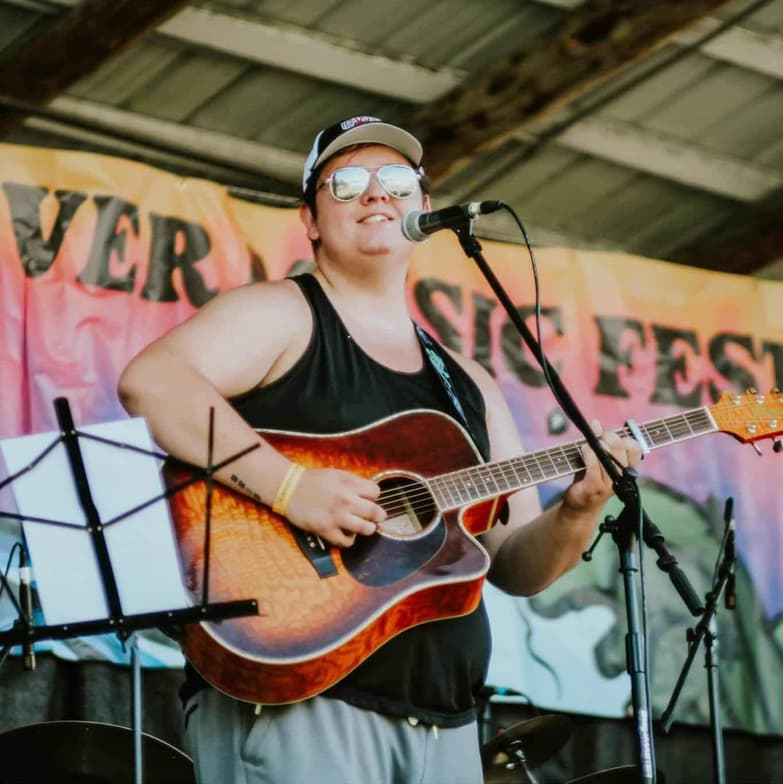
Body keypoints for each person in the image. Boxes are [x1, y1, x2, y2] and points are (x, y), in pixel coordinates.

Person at [117, 115, 642, 784]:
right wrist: (288, 487)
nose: (376, 195)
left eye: (396, 180)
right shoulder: (282, 313)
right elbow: (152, 383)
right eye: (347, 183)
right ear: (309, 219)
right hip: (297, 699)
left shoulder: (467, 381)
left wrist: (577, 512)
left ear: (422, 209)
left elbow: (513, 565)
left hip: (446, 720)